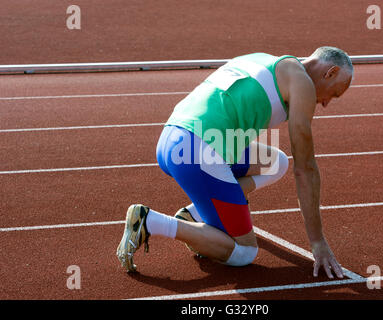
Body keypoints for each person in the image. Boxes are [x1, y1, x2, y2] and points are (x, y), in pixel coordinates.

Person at [117, 46, 353, 279]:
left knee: (275, 162)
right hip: (198, 151)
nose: (326, 104)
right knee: (244, 252)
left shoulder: (264, 59)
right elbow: (306, 168)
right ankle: (151, 222)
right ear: (329, 72)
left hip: (172, 139)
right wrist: (318, 242)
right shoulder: (301, 83)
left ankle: (195, 214)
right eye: (334, 94)